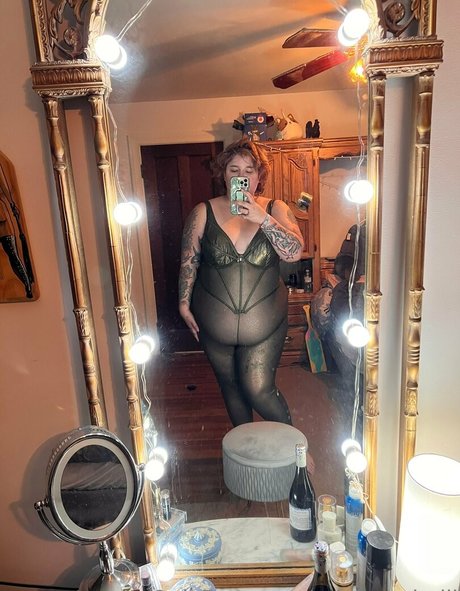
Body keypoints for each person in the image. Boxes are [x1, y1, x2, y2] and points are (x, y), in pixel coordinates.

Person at [178, 138, 304, 427]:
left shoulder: (275, 208)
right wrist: (183, 303)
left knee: (259, 390)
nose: (241, 176)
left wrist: (263, 218)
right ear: (223, 175)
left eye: (249, 170)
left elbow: (294, 253)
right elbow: (189, 260)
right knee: (231, 388)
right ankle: (244, 447)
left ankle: (294, 445)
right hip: (213, 325)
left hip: (265, 324)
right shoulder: (202, 212)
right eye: (233, 170)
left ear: (259, 177)